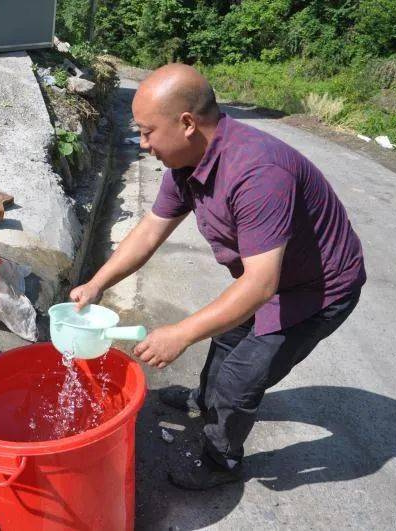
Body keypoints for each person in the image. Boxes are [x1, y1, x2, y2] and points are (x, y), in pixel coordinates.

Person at [71, 64, 365, 490]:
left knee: (239, 382)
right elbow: (152, 228)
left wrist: (181, 333)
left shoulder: (257, 173)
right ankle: (202, 401)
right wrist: (99, 282)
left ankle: (220, 458)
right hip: (273, 277)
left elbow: (260, 286)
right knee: (226, 337)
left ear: (187, 123)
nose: (143, 143)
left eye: (148, 131)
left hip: (318, 290)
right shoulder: (186, 162)